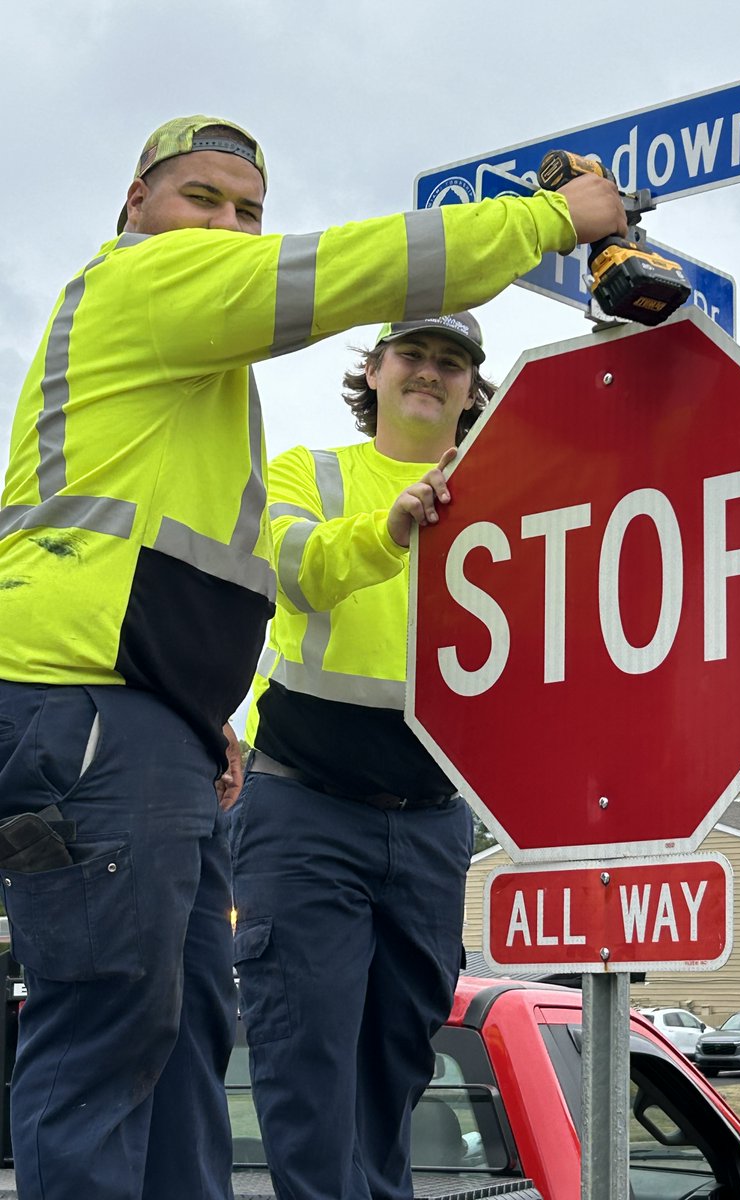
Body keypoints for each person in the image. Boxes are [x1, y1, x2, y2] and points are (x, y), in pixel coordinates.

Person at [0, 113, 625, 1200]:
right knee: (109, 1031)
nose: (229, 226)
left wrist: (206, 728)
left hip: (163, 728)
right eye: (203, 198)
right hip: (86, 696)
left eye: (249, 211)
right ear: (134, 206)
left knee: (188, 1034)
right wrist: (553, 221)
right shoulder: (142, 286)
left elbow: (185, 559)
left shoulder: (194, 390)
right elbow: (351, 268)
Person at [231, 310, 494, 1200]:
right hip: (305, 806)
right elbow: (294, 566)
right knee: (306, 1057)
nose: (431, 372)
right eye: (413, 355)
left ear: (472, 387)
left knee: (398, 1059)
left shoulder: (514, 488)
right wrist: (392, 524)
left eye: (451, 363)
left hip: (433, 821)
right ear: (374, 371)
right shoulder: (311, 472)